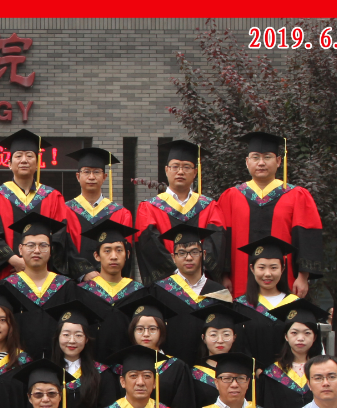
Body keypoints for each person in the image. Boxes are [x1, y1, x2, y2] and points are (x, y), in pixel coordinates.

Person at [216, 132, 325, 300]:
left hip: (285, 280)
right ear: (247, 162)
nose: (261, 163)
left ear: (279, 161)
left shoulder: (297, 196)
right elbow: (223, 239)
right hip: (239, 280)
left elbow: (307, 237)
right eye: (255, 157)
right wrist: (224, 275)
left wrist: (303, 277)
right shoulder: (230, 197)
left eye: (267, 157)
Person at [0, 130, 78, 282]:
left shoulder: (53, 197)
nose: (24, 160)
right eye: (18, 156)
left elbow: (59, 237)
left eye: (30, 156)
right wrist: (14, 260)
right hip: (7, 272)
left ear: (38, 164)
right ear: (9, 164)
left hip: (43, 274)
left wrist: (35, 263)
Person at [134, 140, 225, 284]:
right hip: (166, 285)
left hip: (202, 283)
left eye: (187, 167)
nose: (180, 172)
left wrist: (196, 271)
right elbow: (149, 245)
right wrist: (175, 272)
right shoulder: (149, 208)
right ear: (166, 170)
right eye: (175, 166)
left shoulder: (210, 206)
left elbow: (216, 241)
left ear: (195, 172)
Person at [259, 300, 337, 408]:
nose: (300, 338)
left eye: (307, 333)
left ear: (315, 337)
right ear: (286, 336)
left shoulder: (329, 370)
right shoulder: (272, 374)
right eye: (294, 333)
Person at [1, 212, 78, 359]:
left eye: (43, 245)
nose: (37, 250)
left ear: (51, 249)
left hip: (58, 362)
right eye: (30, 245)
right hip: (18, 363)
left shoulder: (66, 286)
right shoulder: (7, 286)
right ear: (20, 249)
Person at [153, 224, 229, 366]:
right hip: (171, 367)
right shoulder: (160, 291)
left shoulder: (219, 292)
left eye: (194, 252)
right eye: (182, 253)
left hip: (209, 370)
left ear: (203, 254)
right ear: (173, 257)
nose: (188, 258)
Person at [117, 292, 197, 408]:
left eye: (152, 329)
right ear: (132, 331)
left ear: (162, 331)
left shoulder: (176, 367)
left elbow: (183, 407)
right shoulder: (121, 366)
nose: (146, 334)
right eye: (140, 329)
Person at [76, 219, 144, 360]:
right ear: (97, 256)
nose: (113, 256)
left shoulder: (138, 291)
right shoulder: (82, 292)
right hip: (92, 365)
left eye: (119, 250)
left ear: (127, 254)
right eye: (107, 251)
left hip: (128, 365)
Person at [64, 147, 134, 282]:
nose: (91, 177)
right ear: (78, 176)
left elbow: (125, 253)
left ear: (104, 177)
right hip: (74, 284)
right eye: (86, 172)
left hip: (110, 283)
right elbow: (63, 249)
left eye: (96, 172)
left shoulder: (120, 213)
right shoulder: (65, 211)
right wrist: (84, 273)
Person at [47, 300, 118, 408]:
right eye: (66, 335)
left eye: (78, 335)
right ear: (58, 338)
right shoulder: (47, 372)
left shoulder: (102, 374)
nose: (72, 340)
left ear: (86, 339)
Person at [234, 236, 300, 368]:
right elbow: (238, 345)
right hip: (252, 375)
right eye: (262, 267)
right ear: (252, 268)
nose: (268, 274)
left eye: (274, 268)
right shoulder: (240, 306)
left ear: (282, 268)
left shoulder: (295, 305)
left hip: (289, 374)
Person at [187, 304, 246, 408]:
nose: (220, 340)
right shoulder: (193, 375)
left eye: (226, 334)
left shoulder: (244, 373)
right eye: (213, 335)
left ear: (234, 337)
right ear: (203, 338)